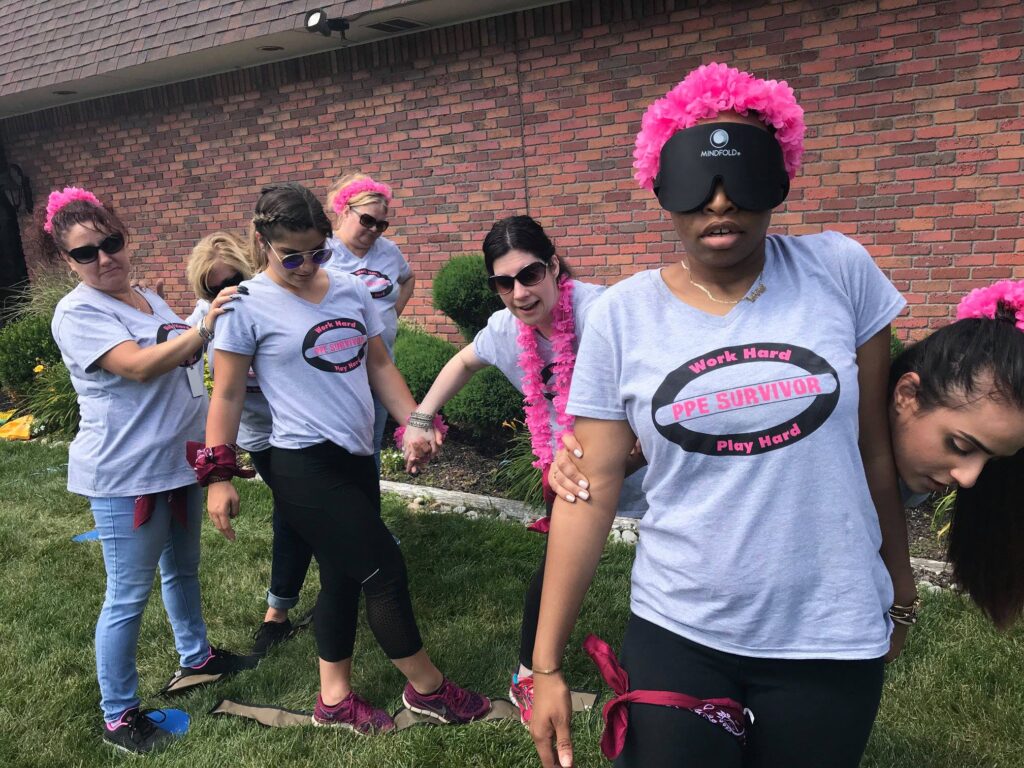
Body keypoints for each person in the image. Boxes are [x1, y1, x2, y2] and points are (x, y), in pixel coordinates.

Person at [529, 63, 915, 768]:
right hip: (682, 626)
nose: (719, 202)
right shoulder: (623, 315)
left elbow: (874, 451)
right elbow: (588, 491)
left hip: (827, 627)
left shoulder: (841, 270)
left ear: (779, 174)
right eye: (696, 181)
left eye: (741, 177)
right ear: (660, 183)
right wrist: (546, 665)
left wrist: (901, 581)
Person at [550, 279, 1024, 629]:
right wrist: (601, 462)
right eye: (960, 446)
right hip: (688, 606)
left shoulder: (920, 468)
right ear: (906, 395)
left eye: (992, 458)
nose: (969, 477)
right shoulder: (817, 421)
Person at [201, 182, 490, 734]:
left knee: (342, 574)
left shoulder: (352, 289)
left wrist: (415, 421)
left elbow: (377, 362)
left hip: (356, 453)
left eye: (318, 252)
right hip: (300, 462)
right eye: (292, 256)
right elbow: (229, 394)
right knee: (384, 570)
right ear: (263, 242)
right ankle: (428, 689)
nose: (307, 265)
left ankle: (333, 699)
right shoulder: (245, 306)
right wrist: (218, 473)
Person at [402, 215, 646, 724]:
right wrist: (421, 419)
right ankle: (529, 676)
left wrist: (632, 454)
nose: (519, 292)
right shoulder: (506, 330)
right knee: (557, 569)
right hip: (574, 475)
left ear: (554, 266)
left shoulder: (607, 312)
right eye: (503, 282)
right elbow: (463, 362)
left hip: (652, 470)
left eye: (530, 275)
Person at [46, 187, 245, 755]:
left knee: (183, 570)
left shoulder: (144, 297)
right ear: (69, 262)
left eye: (111, 243)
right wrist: (203, 328)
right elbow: (135, 366)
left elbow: (177, 347)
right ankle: (119, 716)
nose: (104, 258)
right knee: (127, 595)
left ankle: (197, 658)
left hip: (175, 461)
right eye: (87, 253)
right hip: (124, 472)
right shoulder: (78, 311)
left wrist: (205, 320)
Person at [185, 233, 304, 655]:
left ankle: (287, 606)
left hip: (302, 425)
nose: (226, 290)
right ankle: (278, 612)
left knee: (300, 512)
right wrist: (208, 327)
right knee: (293, 513)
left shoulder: (268, 300)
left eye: (234, 278)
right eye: (213, 286)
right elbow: (186, 362)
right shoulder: (204, 318)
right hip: (261, 434)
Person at [325, 173, 416, 470]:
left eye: (381, 224)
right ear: (344, 210)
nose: (375, 230)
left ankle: (368, 506)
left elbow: (407, 278)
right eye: (367, 220)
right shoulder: (323, 253)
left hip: (379, 366)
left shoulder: (388, 251)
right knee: (335, 447)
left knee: (370, 444)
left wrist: (393, 314)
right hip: (335, 371)